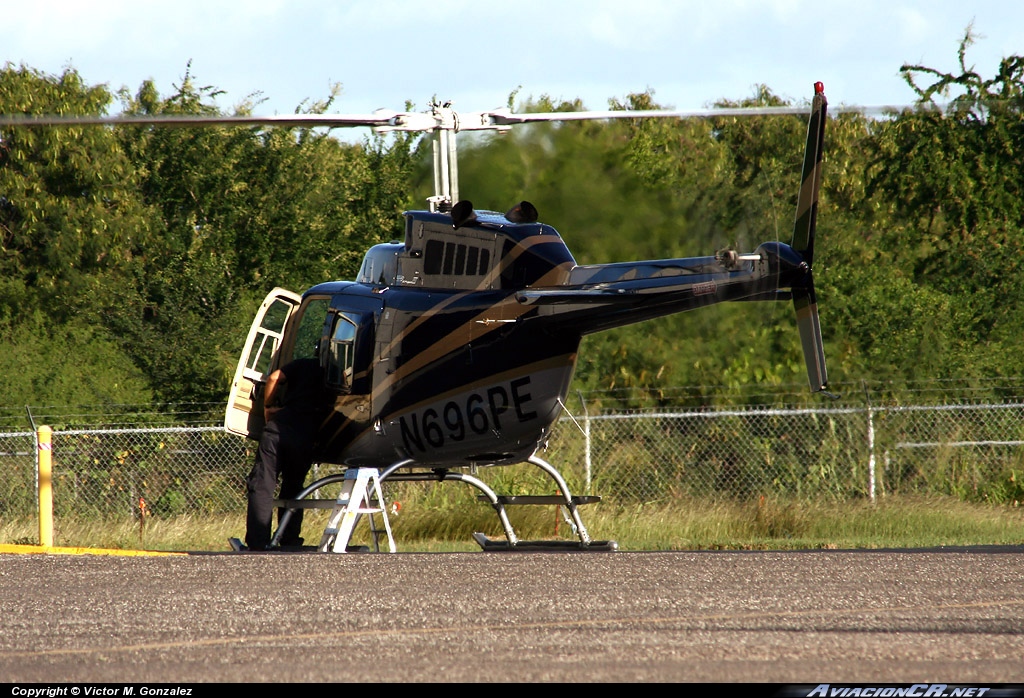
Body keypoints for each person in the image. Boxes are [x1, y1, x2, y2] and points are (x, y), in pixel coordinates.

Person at [244, 355, 331, 551]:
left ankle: (258, 542)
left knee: (263, 484)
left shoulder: (305, 364)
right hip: (305, 435)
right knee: (294, 486)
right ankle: (289, 539)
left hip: (278, 428)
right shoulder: (335, 372)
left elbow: (274, 377)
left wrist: (268, 407)